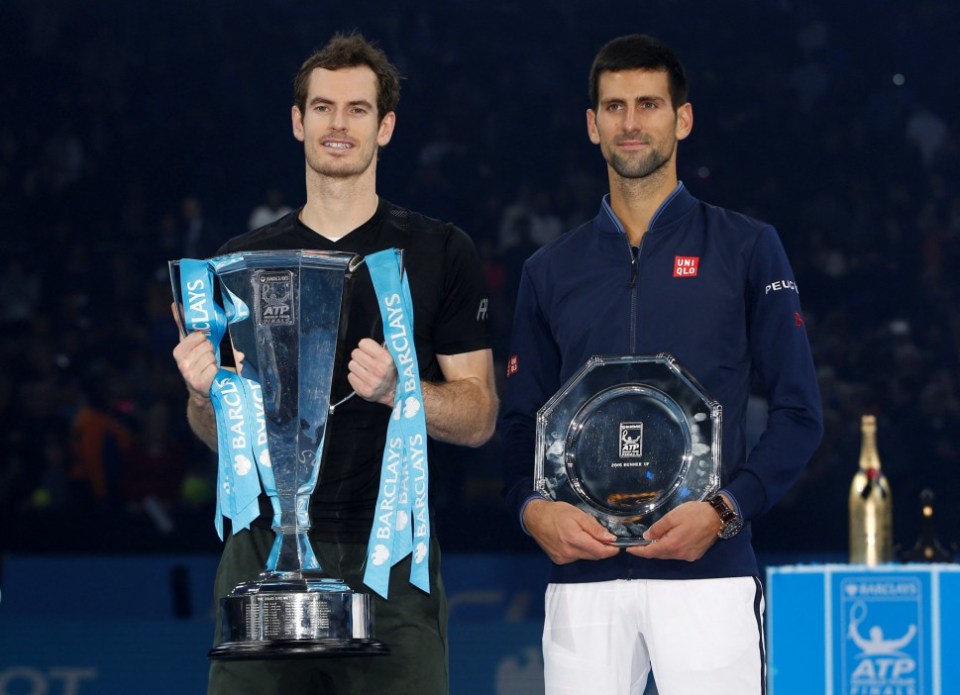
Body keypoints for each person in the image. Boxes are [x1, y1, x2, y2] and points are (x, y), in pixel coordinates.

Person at [172, 32, 498, 695]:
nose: (338, 125)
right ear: (298, 123)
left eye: (356, 109)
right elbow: (215, 434)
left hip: (390, 566)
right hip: (263, 553)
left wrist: (401, 391)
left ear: (386, 127)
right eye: (322, 108)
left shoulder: (439, 250)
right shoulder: (241, 261)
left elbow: (479, 414)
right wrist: (205, 394)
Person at [500, 34, 823, 695]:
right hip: (585, 584)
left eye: (648, 104)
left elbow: (799, 414)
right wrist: (535, 510)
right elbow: (515, 426)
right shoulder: (549, 270)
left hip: (710, 576)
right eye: (614, 106)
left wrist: (726, 511)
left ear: (683, 118)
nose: (630, 122)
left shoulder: (747, 247)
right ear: (592, 125)